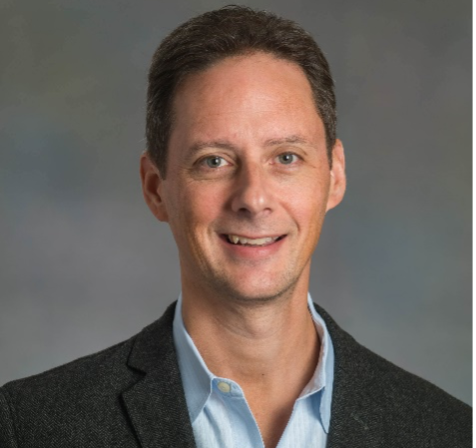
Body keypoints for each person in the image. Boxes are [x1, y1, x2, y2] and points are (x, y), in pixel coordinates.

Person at [0, 6, 472, 448]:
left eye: (286, 157)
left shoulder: (448, 433)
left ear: (335, 175)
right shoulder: (30, 427)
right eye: (214, 161)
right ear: (155, 188)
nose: (253, 198)